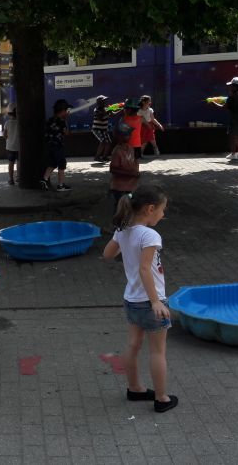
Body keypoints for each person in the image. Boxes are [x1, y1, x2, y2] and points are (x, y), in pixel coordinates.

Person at [102, 186, 177, 413]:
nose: (163, 215)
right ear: (150, 209)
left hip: (132, 299)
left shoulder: (124, 230)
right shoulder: (149, 235)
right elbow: (145, 269)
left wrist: (124, 244)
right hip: (150, 301)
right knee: (158, 352)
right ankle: (161, 398)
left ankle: (135, 389)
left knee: (133, 345)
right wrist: (155, 302)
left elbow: (107, 254)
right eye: (162, 210)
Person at [109, 121, 140, 218]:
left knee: (128, 205)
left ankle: (125, 223)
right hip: (120, 188)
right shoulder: (117, 151)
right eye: (127, 134)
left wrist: (135, 170)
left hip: (130, 186)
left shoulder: (130, 148)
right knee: (120, 207)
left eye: (130, 134)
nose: (130, 136)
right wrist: (131, 174)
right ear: (119, 137)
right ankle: (117, 224)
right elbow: (113, 169)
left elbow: (133, 161)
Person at [212, 76, 238, 160]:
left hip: (235, 118)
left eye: (231, 85)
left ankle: (233, 154)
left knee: (232, 135)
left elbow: (223, 107)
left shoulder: (231, 96)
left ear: (235, 87)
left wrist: (214, 102)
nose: (230, 87)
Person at [41, 99, 72, 191]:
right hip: (58, 146)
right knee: (61, 165)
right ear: (62, 111)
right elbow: (66, 133)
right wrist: (66, 119)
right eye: (66, 110)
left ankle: (44, 180)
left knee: (52, 164)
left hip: (49, 146)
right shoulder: (62, 121)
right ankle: (61, 185)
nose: (67, 112)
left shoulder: (50, 120)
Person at [92, 95, 113, 162]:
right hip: (97, 129)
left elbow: (112, 115)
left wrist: (117, 109)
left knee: (109, 142)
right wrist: (108, 111)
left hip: (104, 129)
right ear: (99, 102)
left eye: (104, 101)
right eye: (103, 101)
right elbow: (100, 117)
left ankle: (104, 157)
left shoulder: (106, 109)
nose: (105, 102)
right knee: (103, 141)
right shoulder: (96, 110)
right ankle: (97, 157)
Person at [2, 103, 19, 185]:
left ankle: (11, 179)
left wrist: (9, 140)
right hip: (19, 147)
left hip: (10, 147)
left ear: (10, 114)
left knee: (11, 163)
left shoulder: (7, 123)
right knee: (19, 163)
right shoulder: (20, 122)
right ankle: (19, 177)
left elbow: (4, 135)